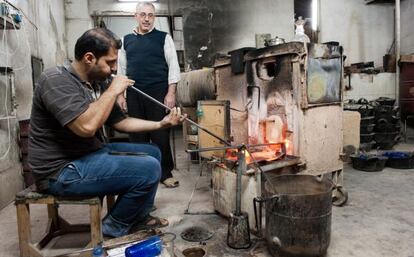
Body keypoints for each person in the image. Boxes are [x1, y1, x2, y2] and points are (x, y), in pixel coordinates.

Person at [28, 28, 185, 238]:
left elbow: (121, 122)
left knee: (153, 152)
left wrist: (161, 124)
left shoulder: (97, 82)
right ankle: (112, 229)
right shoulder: (55, 80)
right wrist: (113, 91)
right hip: (60, 170)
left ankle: (137, 217)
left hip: (88, 153)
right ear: (89, 58)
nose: (113, 69)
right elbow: (86, 128)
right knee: (148, 169)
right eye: (110, 62)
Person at [117, 2, 181, 188]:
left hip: (158, 92)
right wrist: (121, 96)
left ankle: (165, 173)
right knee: (138, 135)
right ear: (135, 16)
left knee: (160, 134)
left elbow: (173, 67)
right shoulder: (126, 40)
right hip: (134, 93)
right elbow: (121, 70)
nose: (146, 18)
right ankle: (142, 173)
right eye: (143, 14)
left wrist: (171, 93)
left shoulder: (163, 38)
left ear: (154, 17)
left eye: (151, 15)